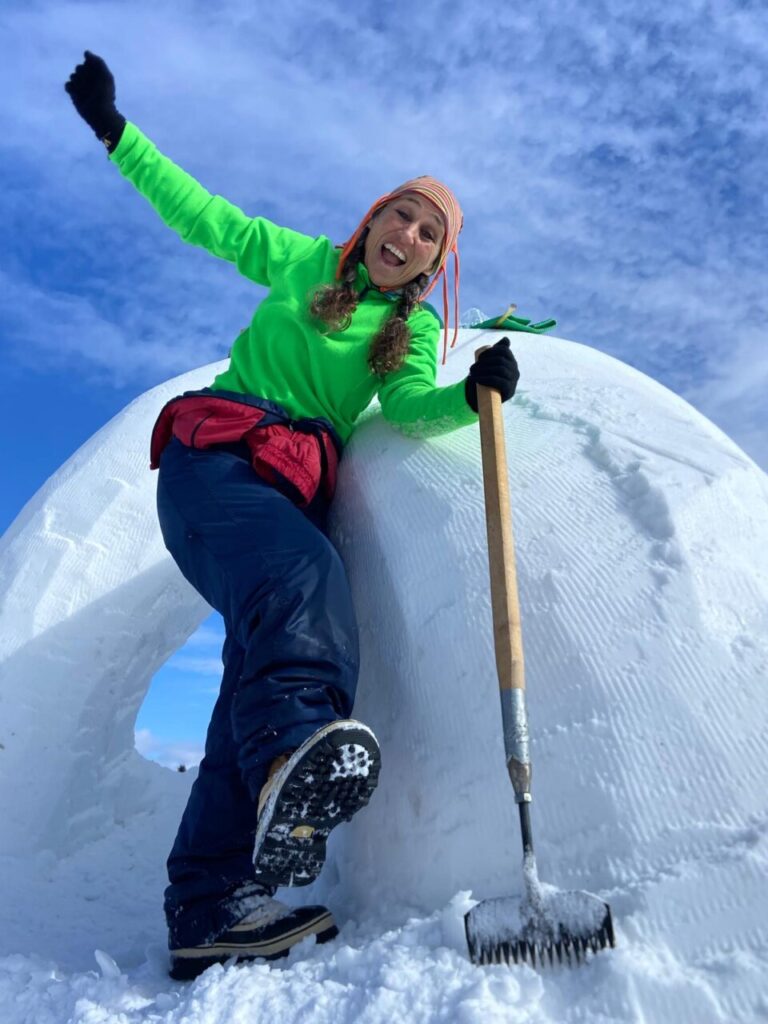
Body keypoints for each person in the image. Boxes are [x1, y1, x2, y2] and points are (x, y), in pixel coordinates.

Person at [65, 51, 520, 980]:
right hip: (215, 465)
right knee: (307, 576)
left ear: (438, 264)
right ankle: (291, 762)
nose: (408, 232)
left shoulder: (411, 335)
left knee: (246, 679)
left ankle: (208, 905)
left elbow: (405, 410)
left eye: (430, 232)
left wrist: (473, 393)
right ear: (373, 218)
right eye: (402, 211)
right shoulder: (306, 262)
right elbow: (204, 215)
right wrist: (118, 132)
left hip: (285, 488)